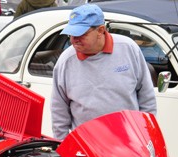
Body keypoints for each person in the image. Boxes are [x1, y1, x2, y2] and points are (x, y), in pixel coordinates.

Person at [50, 4, 156, 140]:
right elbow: (59, 110)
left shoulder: (128, 48)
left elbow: (147, 96)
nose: (74, 39)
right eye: (71, 34)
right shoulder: (65, 61)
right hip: (87, 144)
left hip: (130, 141)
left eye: (81, 34)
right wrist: (62, 144)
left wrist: (146, 134)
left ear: (100, 30)